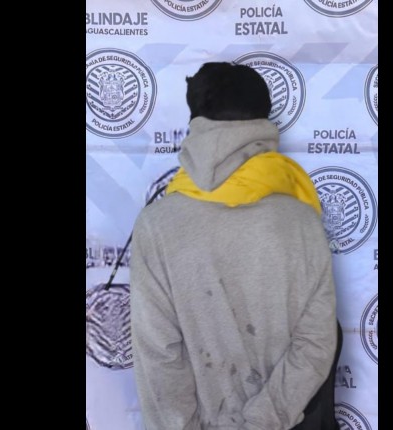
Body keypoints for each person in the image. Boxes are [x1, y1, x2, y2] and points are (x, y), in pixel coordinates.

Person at [130, 62, 340, 430]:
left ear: (196, 121)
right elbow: (315, 345)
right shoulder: (302, 220)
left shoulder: (157, 225)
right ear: (263, 121)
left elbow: (158, 356)